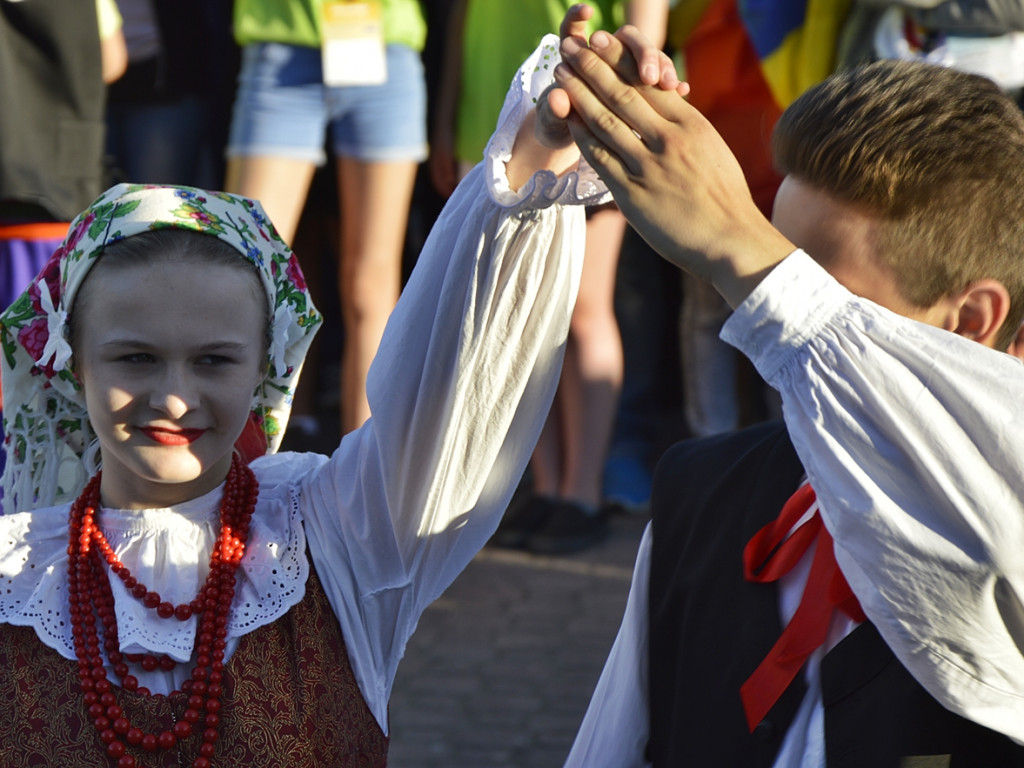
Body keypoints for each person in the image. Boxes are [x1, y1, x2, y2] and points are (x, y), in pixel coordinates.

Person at [0, 8, 681, 764]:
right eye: (133, 359)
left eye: (215, 361)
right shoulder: (15, 571)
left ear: (269, 364)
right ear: (72, 362)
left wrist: (533, 157)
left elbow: (454, 373)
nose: (173, 396)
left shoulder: (328, 537)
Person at [543, 23, 1024, 767]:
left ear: (970, 323)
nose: (762, 311)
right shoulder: (701, 494)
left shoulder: (1004, 499)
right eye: (774, 249)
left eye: (815, 286)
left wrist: (741, 247)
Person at [432, 0, 670, 552]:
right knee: (518, 306)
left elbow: (645, 34)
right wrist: (446, 116)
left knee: (584, 308)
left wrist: (623, 118)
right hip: (493, 108)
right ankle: (544, 485)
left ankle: (581, 491)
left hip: (582, 120)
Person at [225, 0, 428, 436]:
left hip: (384, 47)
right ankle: (224, 472)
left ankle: (367, 480)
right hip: (281, 48)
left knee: (370, 286)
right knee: (240, 275)